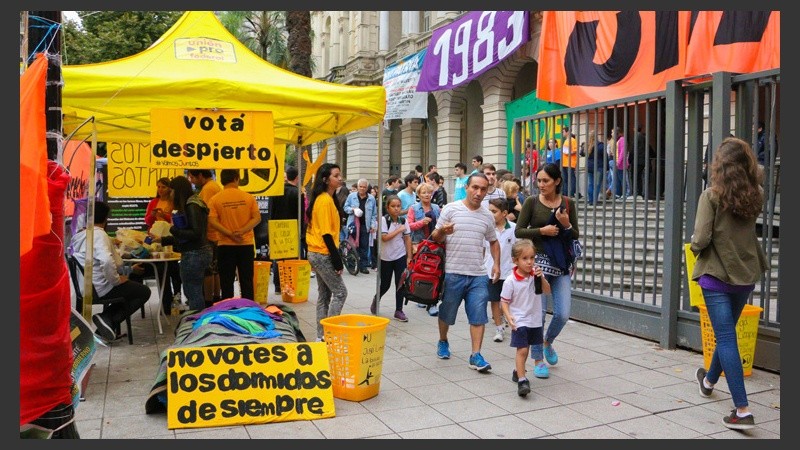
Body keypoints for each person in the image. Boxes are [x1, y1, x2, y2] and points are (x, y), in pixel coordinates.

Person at [690, 137, 769, 431]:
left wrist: (693, 248)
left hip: (717, 274)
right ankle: (709, 381)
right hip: (746, 273)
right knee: (727, 336)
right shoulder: (756, 194)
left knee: (725, 339)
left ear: (719, 165)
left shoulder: (710, 196)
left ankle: (743, 409)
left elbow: (701, 238)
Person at [429, 173, 500, 373]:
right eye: (475, 188)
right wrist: (443, 231)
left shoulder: (487, 215)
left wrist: (496, 264)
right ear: (467, 187)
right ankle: (443, 340)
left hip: (478, 274)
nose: (478, 193)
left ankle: (475, 355)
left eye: (483, 189)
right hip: (453, 272)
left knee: (478, 316)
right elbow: (434, 237)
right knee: (447, 313)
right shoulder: (451, 209)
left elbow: (493, 241)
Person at [513, 162, 579, 379]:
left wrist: (566, 224)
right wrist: (542, 230)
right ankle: (538, 360)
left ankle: (547, 341)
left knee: (562, 313)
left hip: (560, 264)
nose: (541, 185)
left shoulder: (568, 203)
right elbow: (519, 230)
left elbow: (575, 234)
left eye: (545, 181)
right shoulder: (532, 202)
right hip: (537, 263)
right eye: (539, 180)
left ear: (557, 181)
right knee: (538, 315)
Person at [70, 201, 151, 342]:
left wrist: (130, 269)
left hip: (86, 287)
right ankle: (108, 318)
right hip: (99, 288)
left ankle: (106, 324)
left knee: (131, 286)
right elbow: (107, 262)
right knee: (143, 292)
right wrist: (117, 280)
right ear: (106, 218)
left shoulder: (82, 235)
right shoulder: (99, 235)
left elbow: (114, 264)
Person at [151, 176, 213, 312]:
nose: (170, 194)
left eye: (171, 191)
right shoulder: (194, 203)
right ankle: (197, 319)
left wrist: (172, 228)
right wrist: (162, 239)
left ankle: (196, 323)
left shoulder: (191, 206)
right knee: (194, 290)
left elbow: (195, 233)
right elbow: (188, 235)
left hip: (194, 254)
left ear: (178, 191)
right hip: (199, 251)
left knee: (193, 291)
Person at [500, 239, 551, 397]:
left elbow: (547, 291)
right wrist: (509, 317)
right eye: (525, 258)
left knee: (526, 348)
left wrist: (541, 277)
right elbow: (504, 302)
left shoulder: (535, 276)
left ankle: (517, 371)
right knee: (522, 350)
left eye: (532, 258)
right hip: (519, 320)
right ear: (515, 261)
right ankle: (522, 380)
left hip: (534, 320)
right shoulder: (511, 281)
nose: (529, 262)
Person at [306, 163, 347, 341]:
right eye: (336, 176)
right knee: (340, 293)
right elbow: (326, 234)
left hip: (319, 252)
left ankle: (322, 336)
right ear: (326, 179)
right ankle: (329, 334)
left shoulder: (328, 199)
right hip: (322, 253)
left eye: (339, 175)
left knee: (325, 295)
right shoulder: (323, 200)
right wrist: (337, 260)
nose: (340, 178)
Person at [207, 169, 261, 301]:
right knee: (247, 281)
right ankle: (248, 310)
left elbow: (211, 220)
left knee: (226, 282)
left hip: (225, 245)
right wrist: (242, 231)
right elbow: (257, 218)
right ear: (237, 179)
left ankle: (228, 311)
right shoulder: (248, 197)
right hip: (245, 244)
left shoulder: (215, 199)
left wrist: (230, 234)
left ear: (221, 180)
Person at [137, 177, 181, 315]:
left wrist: (165, 216)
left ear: (169, 188)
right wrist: (153, 215)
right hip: (154, 238)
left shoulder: (174, 202)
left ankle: (177, 296)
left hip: (170, 238)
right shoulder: (153, 202)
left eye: (163, 187)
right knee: (161, 269)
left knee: (173, 268)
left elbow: (176, 221)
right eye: (158, 187)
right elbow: (148, 221)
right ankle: (166, 301)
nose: (160, 190)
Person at [369, 195, 413, 322]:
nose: (396, 209)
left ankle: (398, 310)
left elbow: (407, 238)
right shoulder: (383, 220)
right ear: (387, 208)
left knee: (400, 284)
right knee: (385, 284)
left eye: (398, 206)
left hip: (400, 255)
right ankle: (376, 299)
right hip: (386, 257)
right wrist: (399, 230)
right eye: (393, 206)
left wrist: (409, 256)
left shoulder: (403, 221)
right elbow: (384, 238)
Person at [267, 165, 306, 294]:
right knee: (290, 258)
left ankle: (277, 286)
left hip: (277, 228)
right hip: (292, 229)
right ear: (296, 178)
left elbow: (270, 211)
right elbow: (300, 214)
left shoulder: (276, 191)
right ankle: (288, 286)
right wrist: (301, 232)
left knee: (278, 257)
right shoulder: (298, 193)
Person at [187, 169, 222, 305]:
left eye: (192, 177)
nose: (191, 181)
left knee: (209, 270)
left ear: (200, 175)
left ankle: (209, 300)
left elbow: (204, 212)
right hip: (215, 233)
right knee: (215, 269)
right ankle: (216, 297)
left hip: (210, 234)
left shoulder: (208, 189)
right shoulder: (213, 186)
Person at [406, 182, 442, 315]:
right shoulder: (414, 208)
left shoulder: (436, 207)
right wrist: (422, 222)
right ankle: (422, 296)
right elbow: (409, 226)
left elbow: (442, 223)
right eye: (424, 192)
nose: (427, 195)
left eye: (429, 192)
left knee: (435, 272)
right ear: (419, 195)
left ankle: (432, 302)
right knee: (421, 271)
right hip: (419, 244)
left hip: (435, 244)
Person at [484, 198, 516, 343]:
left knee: (509, 301)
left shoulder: (514, 229)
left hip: (510, 271)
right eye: (489, 211)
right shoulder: (486, 229)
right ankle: (499, 327)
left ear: (504, 213)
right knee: (495, 300)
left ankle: (510, 321)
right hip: (491, 271)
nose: (491, 214)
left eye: (494, 211)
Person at [343, 178, 378, 275]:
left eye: (364, 187)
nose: (362, 189)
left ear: (367, 188)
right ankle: (351, 265)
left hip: (365, 225)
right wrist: (353, 210)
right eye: (360, 187)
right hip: (353, 225)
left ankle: (363, 266)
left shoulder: (371, 198)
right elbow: (345, 208)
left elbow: (374, 214)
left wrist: (372, 225)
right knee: (351, 246)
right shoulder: (351, 196)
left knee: (364, 246)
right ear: (357, 187)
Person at [584, 130, 605, 205]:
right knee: (597, 184)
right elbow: (605, 156)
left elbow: (581, 153)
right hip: (598, 168)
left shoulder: (587, 145)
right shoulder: (600, 145)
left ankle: (590, 200)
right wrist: (607, 168)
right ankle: (594, 201)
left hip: (589, 168)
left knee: (591, 184)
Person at [561, 127, 578, 197]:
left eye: (563, 132)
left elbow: (575, 150)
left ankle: (571, 193)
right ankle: (565, 193)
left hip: (570, 162)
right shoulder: (566, 141)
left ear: (568, 132)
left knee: (571, 178)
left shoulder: (572, 140)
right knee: (565, 179)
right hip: (564, 162)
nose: (562, 133)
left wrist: (568, 153)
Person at [614, 127, 631, 199]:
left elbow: (622, 152)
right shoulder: (618, 140)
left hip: (621, 163)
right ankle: (619, 193)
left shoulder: (622, 140)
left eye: (613, 132)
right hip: (618, 163)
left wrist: (618, 161)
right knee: (618, 179)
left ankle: (626, 193)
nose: (612, 134)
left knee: (623, 179)